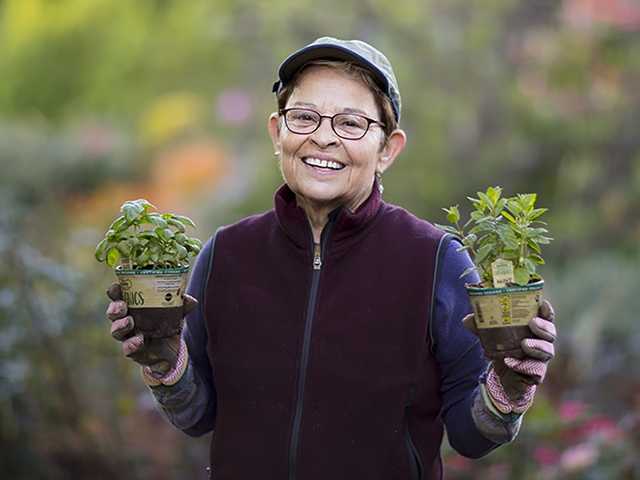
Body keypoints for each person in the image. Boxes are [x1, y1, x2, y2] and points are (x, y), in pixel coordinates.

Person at [106, 37, 557, 480]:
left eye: (351, 123)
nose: (322, 138)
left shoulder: (435, 260)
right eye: (303, 117)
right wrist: (166, 364)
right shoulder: (227, 254)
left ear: (388, 149)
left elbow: (470, 436)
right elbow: (198, 415)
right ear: (276, 132)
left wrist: (507, 390)